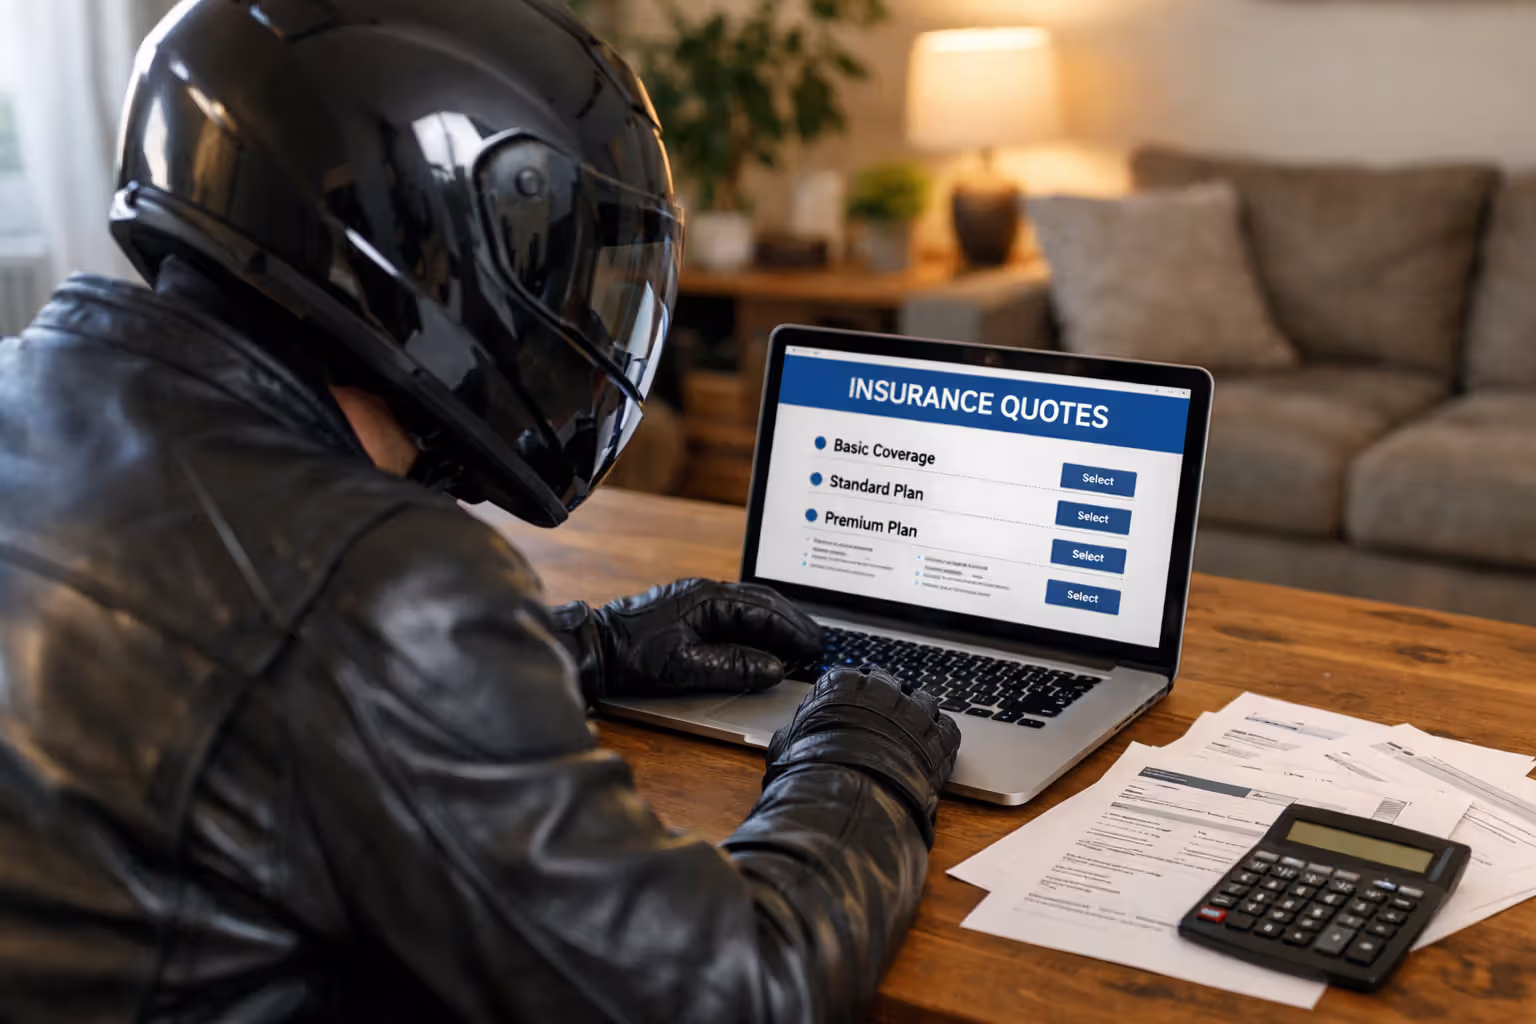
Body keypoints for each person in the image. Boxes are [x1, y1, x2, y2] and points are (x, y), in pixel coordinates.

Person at [0, 2, 961, 1021]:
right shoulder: (380, 578)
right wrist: (864, 749)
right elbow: (732, 990)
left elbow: (206, 647)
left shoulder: (27, 385)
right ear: (444, 244)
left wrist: (591, 647)